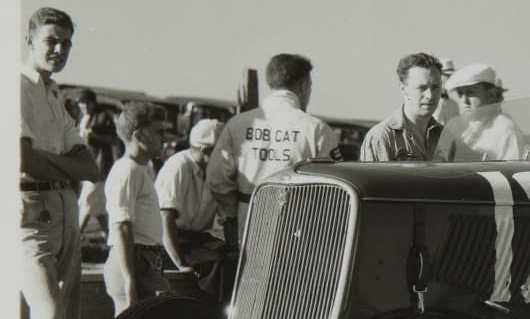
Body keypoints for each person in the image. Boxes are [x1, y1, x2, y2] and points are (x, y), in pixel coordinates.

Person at [19, 7, 100, 319]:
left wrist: (60, 167)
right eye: (51, 40)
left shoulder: (55, 96)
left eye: (67, 43)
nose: (59, 49)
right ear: (30, 38)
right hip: (28, 208)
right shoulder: (17, 86)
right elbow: (23, 161)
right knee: (46, 314)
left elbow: (91, 168)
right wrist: (63, 166)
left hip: (64, 207)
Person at [208, 54, 339, 243]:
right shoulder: (316, 129)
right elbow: (331, 189)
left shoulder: (237, 124)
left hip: (246, 222)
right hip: (296, 226)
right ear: (303, 85)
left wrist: (232, 215)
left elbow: (217, 178)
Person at [103, 102, 171, 316]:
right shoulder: (127, 170)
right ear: (140, 136)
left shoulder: (141, 169)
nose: (165, 138)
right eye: (159, 132)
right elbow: (122, 227)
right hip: (135, 262)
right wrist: (129, 279)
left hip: (145, 261)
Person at [155, 118, 227, 299]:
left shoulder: (215, 171)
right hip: (166, 240)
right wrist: (180, 264)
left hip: (193, 238)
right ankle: (209, 316)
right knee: (214, 263)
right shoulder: (178, 166)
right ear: (205, 152)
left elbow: (226, 215)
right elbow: (165, 219)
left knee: (235, 257)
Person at [360, 52, 445, 161]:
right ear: (403, 88)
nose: (430, 95)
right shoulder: (382, 137)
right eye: (422, 88)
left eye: (435, 87)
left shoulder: (444, 137)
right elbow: (372, 178)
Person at [435, 63, 521, 161]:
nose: (464, 101)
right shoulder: (454, 126)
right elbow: (439, 164)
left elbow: (512, 171)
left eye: (470, 93)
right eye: (460, 94)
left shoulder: (505, 128)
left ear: (491, 95)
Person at [75, 90, 121, 239]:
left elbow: (114, 140)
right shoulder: (83, 118)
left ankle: (75, 237)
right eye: (82, 103)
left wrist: (95, 136)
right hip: (85, 165)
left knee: (86, 201)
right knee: (98, 207)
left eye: (88, 103)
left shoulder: (103, 117)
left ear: (94, 103)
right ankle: (110, 239)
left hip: (99, 166)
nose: (85, 106)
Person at [432, 56, 460, 125]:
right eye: (446, 75)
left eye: (450, 76)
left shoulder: (454, 105)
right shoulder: (428, 101)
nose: (449, 79)